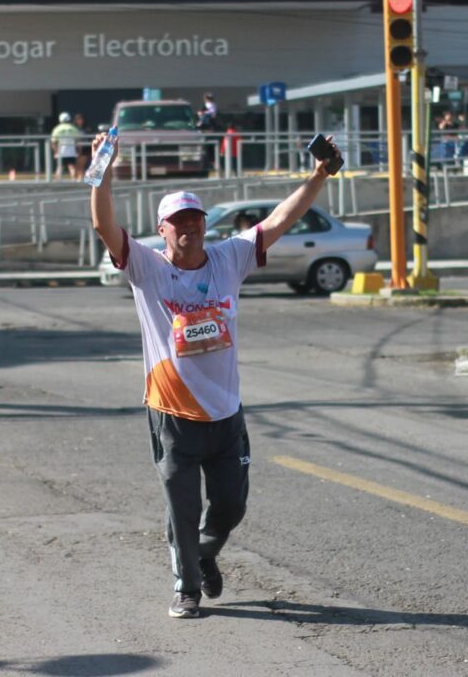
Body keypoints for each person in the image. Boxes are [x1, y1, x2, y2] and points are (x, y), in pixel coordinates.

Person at [89, 131, 342, 619]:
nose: (189, 229)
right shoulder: (146, 267)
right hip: (173, 413)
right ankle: (187, 586)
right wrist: (102, 168)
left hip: (227, 413)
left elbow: (280, 219)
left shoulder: (229, 257)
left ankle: (204, 553)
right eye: (178, 222)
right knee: (182, 510)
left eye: (195, 220)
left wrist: (318, 175)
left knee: (229, 507)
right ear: (161, 230)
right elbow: (103, 222)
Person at [50, 112, 83, 181]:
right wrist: (79, 151)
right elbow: (78, 141)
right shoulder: (73, 128)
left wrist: (56, 151)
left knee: (60, 167)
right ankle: (74, 180)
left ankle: (56, 181)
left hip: (61, 152)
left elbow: (53, 142)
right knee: (72, 166)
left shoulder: (57, 129)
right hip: (71, 152)